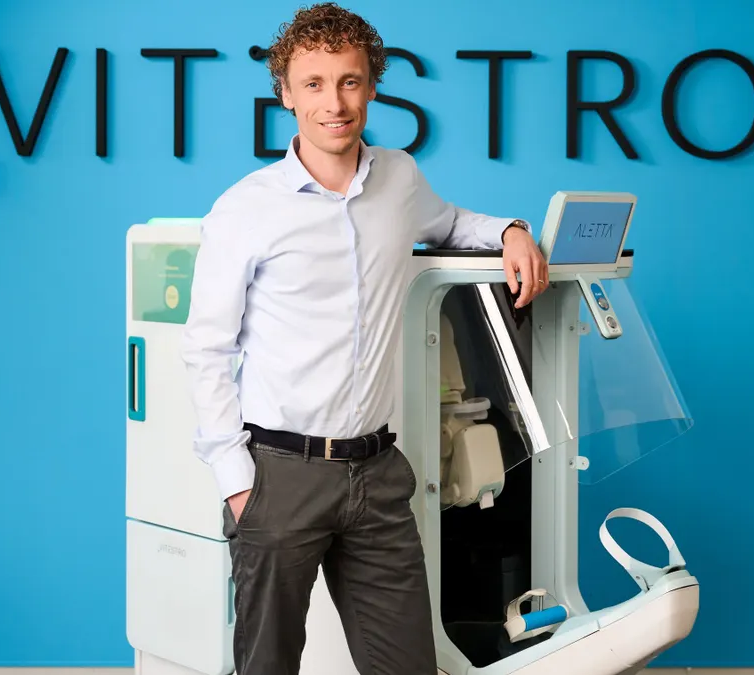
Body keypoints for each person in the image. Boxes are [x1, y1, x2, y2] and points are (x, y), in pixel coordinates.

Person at [180, 3, 548, 673]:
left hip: (378, 476)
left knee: (407, 665)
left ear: (372, 85)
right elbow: (206, 349)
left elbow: (453, 222)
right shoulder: (245, 209)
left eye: (349, 80)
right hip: (279, 475)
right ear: (286, 93)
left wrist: (511, 231)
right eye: (314, 84)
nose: (334, 102)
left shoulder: (399, 178)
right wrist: (239, 483)